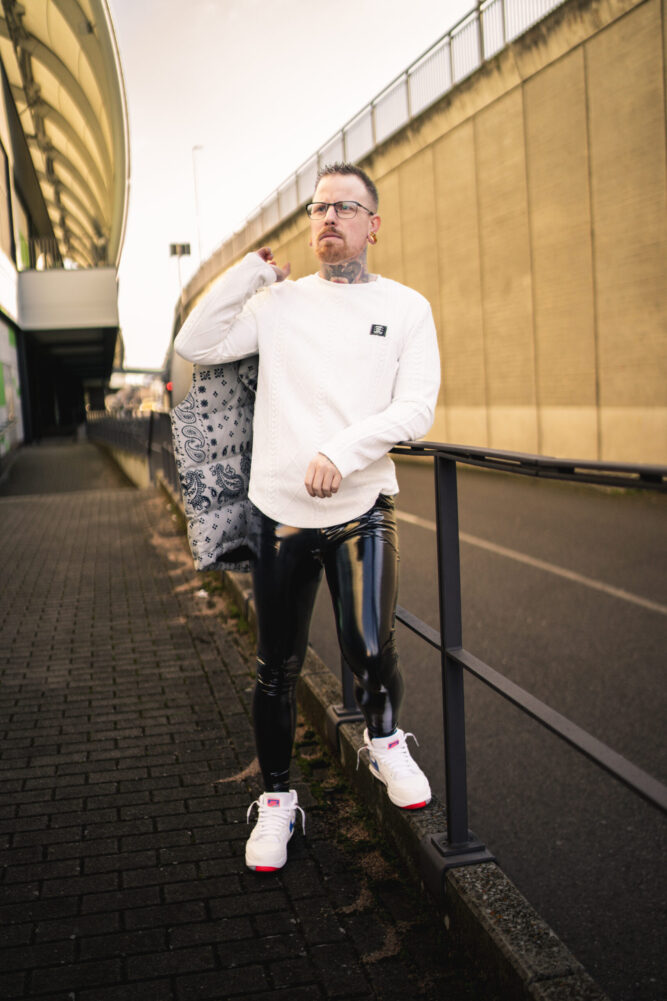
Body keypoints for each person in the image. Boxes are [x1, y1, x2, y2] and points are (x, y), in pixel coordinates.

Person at [174, 162, 441, 871]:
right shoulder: (277, 304)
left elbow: (416, 409)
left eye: (344, 207)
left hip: (361, 503)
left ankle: (384, 740)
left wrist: (341, 452)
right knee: (275, 667)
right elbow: (196, 344)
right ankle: (277, 802)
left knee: (369, 645)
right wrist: (249, 274)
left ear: (372, 226)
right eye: (319, 207)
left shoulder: (406, 307)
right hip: (280, 513)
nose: (328, 217)